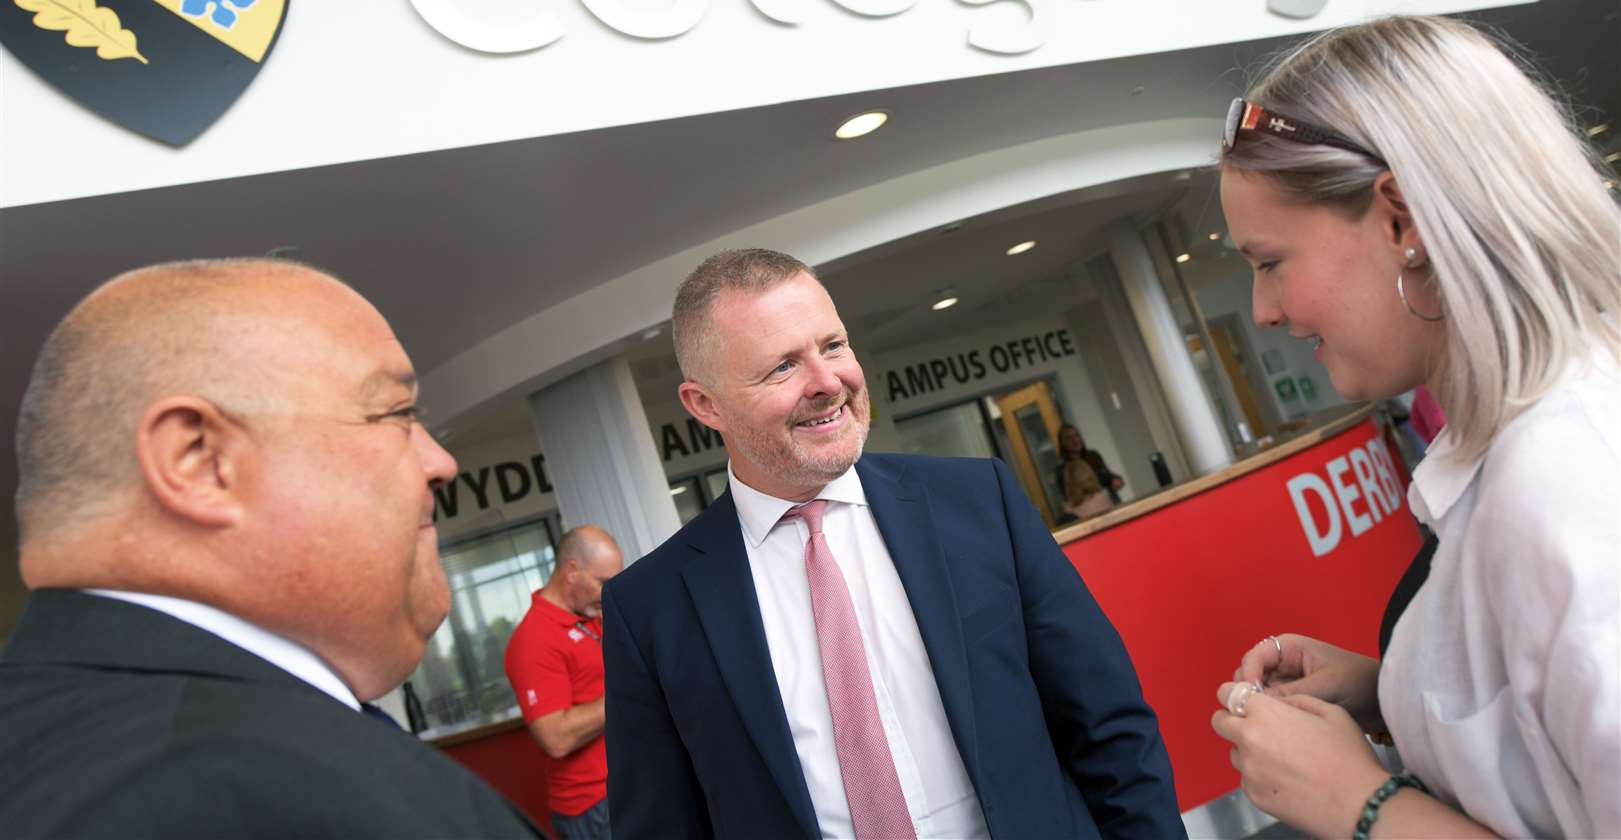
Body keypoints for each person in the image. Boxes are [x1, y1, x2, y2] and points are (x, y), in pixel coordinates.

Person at [602, 248, 1182, 840]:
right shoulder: (650, 609)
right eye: (782, 367)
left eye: (833, 346)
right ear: (705, 405)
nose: (828, 383)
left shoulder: (979, 504)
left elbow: (1108, 728)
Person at [1208, 16, 1619, 839]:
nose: (1264, 310)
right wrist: (1389, 689)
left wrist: (1361, 806)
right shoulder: (1502, 446)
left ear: (1401, 222)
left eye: (1269, 262)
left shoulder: (1571, 477)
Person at [0, 259, 541, 839]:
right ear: (200, 462)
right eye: (396, 413)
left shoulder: (52, 741)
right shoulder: (287, 800)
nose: (440, 463)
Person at [505, 525, 623, 840]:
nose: (608, 592)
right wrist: (628, 692)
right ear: (572, 571)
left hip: (628, 783)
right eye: (602, 582)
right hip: (595, 805)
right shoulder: (533, 639)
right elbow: (555, 737)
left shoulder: (592, 617)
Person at [1056, 422, 1124, 517]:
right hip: (1085, 513)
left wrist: (1115, 480)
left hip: (1109, 505)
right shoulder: (1062, 469)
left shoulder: (1093, 456)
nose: (1075, 440)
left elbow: (1108, 475)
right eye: (1069, 438)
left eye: (1077, 435)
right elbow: (1068, 496)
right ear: (1063, 443)